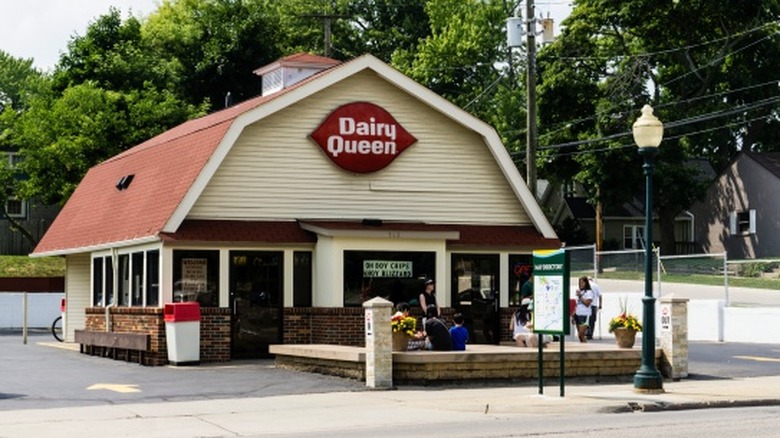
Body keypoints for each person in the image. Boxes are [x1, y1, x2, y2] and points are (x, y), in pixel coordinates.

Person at [574, 276, 594, 343]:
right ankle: (582, 345)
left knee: (581, 334)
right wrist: (573, 315)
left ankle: (586, 345)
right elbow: (577, 304)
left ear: (586, 283)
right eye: (579, 283)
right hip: (577, 314)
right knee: (579, 336)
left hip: (585, 314)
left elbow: (587, 303)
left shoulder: (589, 292)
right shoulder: (579, 291)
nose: (581, 284)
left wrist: (580, 296)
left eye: (582, 282)